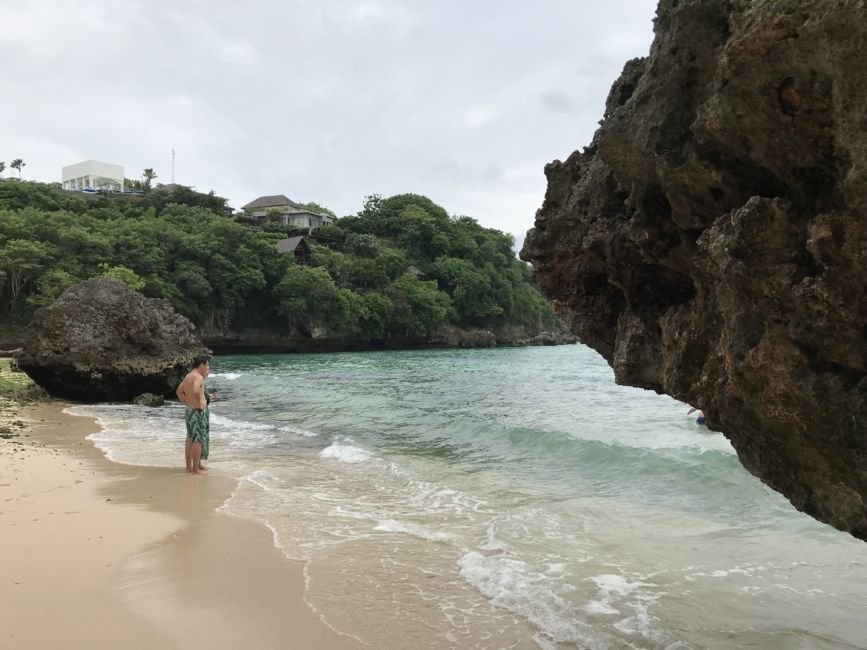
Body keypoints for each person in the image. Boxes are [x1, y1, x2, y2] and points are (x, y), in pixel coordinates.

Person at [176, 356, 216, 474]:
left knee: (190, 438)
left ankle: (190, 467)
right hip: (197, 412)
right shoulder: (198, 376)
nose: (208, 368)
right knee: (198, 440)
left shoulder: (188, 376)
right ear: (201, 365)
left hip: (189, 410)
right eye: (207, 365)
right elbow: (195, 390)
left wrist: (187, 403)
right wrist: (201, 404)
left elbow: (179, 391)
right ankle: (195, 470)